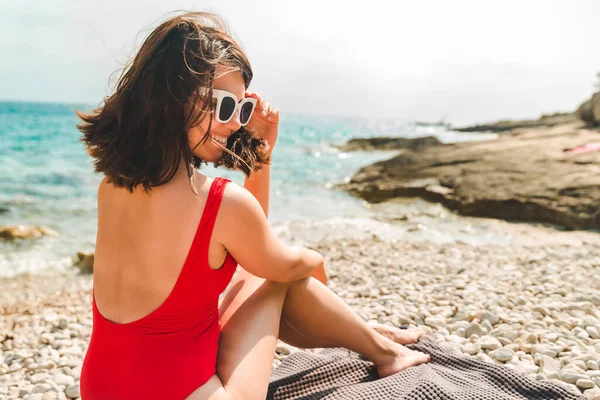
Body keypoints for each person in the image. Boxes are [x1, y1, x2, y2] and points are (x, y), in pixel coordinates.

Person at [77, 11, 430, 400]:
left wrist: (258, 153)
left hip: (102, 387)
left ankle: (366, 335)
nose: (234, 124)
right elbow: (277, 264)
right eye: (225, 106)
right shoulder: (219, 201)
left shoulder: (111, 186)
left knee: (258, 275)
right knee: (282, 280)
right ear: (173, 98)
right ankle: (385, 350)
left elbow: (246, 245)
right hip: (184, 393)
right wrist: (313, 258)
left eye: (243, 110)